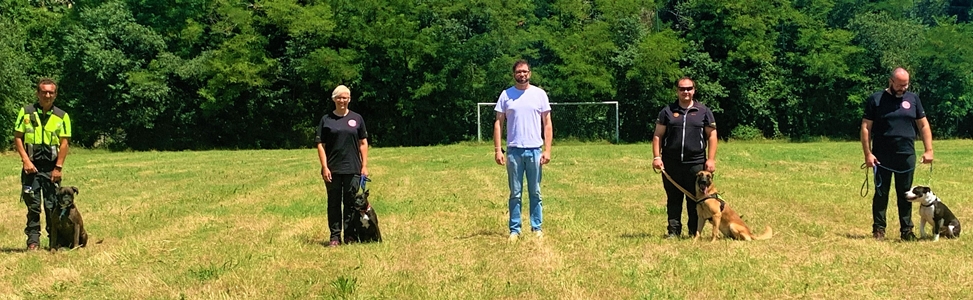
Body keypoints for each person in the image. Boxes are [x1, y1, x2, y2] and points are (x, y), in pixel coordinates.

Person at [861, 67, 933, 241]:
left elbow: (923, 125)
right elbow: (866, 127)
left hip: (906, 155)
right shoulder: (876, 100)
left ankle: (907, 231)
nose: (903, 88)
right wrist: (868, 154)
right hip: (881, 157)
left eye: (906, 84)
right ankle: (879, 230)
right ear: (891, 81)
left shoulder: (913, 99)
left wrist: (929, 149)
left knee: (906, 194)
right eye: (900, 85)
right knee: (881, 194)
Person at [493, 59, 553, 242]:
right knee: (515, 193)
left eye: (525, 72)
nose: (522, 75)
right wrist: (497, 149)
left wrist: (547, 150)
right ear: (514, 74)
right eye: (519, 72)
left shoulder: (539, 94)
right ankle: (515, 229)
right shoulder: (506, 95)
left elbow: (547, 123)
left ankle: (537, 228)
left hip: (535, 150)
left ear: (530, 73)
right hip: (513, 151)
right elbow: (498, 123)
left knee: (535, 191)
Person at [651, 77, 717, 239]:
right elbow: (658, 135)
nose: (685, 92)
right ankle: (673, 231)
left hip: (695, 163)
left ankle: (694, 231)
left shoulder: (703, 111)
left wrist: (711, 159)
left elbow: (712, 135)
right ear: (677, 91)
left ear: (694, 90)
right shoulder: (667, 111)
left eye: (689, 88)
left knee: (695, 198)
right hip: (671, 163)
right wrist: (656, 157)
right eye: (682, 89)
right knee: (673, 198)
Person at [14, 78, 72, 251]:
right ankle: (33, 241)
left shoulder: (62, 116)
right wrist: (26, 160)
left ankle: (55, 241)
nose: (47, 95)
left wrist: (58, 168)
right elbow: (18, 137)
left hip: (51, 168)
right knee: (33, 206)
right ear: (38, 93)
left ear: (55, 94)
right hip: (31, 167)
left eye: (51, 92)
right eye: (44, 92)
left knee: (52, 205)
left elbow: (64, 143)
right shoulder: (26, 112)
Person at [315, 85, 369, 247]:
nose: (342, 100)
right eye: (339, 97)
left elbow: (363, 143)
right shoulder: (326, 120)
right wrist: (324, 167)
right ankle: (335, 237)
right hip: (333, 169)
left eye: (345, 97)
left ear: (349, 99)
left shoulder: (357, 119)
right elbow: (320, 144)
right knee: (333, 203)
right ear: (334, 99)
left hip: (353, 168)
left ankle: (350, 236)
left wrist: (364, 166)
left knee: (351, 203)